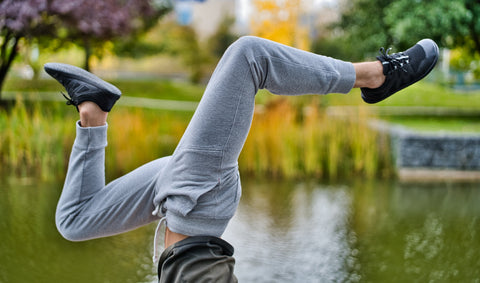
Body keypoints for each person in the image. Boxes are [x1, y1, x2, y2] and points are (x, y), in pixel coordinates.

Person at [44, 36, 439, 282]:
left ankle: (93, 112)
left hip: (177, 196)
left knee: (74, 221)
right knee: (249, 57)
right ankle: (377, 76)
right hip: (198, 197)